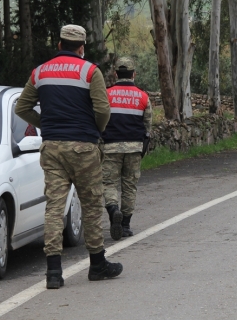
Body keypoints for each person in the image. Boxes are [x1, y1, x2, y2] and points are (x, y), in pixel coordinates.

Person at [15, 24, 123, 289]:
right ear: (82, 47)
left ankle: (53, 272)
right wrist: (95, 130)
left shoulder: (40, 72)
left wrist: (44, 124)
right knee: (91, 204)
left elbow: (21, 107)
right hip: (83, 146)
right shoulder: (90, 71)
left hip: (51, 147)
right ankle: (97, 264)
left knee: (54, 206)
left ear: (60, 44)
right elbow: (103, 110)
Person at [101, 57, 152, 240]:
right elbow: (148, 127)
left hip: (110, 147)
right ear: (134, 74)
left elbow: (98, 119)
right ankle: (125, 225)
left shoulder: (106, 94)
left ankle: (113, 209)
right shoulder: (143, 97)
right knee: (129, 186)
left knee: (109, 183)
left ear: (115, 74)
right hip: (134, 147)